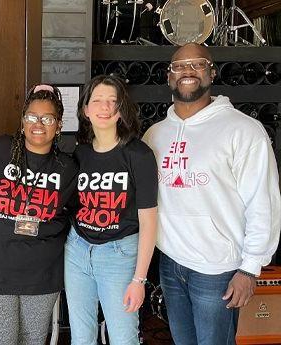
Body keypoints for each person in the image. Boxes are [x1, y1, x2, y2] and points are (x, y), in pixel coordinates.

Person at [143, 43, 281, 345]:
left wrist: (250, 268)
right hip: (170, 263)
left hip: (218, 268)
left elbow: (263, 202)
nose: (188, 71)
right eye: (180, 66)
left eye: (197, 64)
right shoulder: (154, 134)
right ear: (169, 76)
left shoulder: (243, 130)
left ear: (212, 72)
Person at [0, 84, 78, 345]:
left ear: (59, 125)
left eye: (47, 118)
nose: (38, 123)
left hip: (41, 274)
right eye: (31, 116)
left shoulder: (68, 168)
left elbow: (77, 214)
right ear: (22, 121)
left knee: (32, 341)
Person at [65, 75, 158, 345]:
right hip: (77, 251)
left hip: (119, 255)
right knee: (81, 338)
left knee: (123, 338)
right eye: (97, 101)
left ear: (121, 110)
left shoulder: (139, 155)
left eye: (112, 102)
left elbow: (149, 221)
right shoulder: (79, 153)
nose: (104, 108)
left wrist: (139, 279)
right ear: (85, 109)